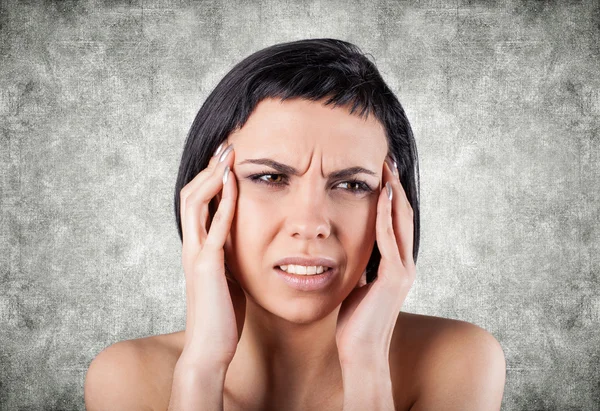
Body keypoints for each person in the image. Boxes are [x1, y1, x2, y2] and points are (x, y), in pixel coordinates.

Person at [84, 38, 506, 410]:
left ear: (395, 209)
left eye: (353, 185)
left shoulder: (458, 360)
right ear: (206, 199)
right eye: (270, 178)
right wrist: (202, 368)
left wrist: (367, 365)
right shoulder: (128, 376)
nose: (311, 224)